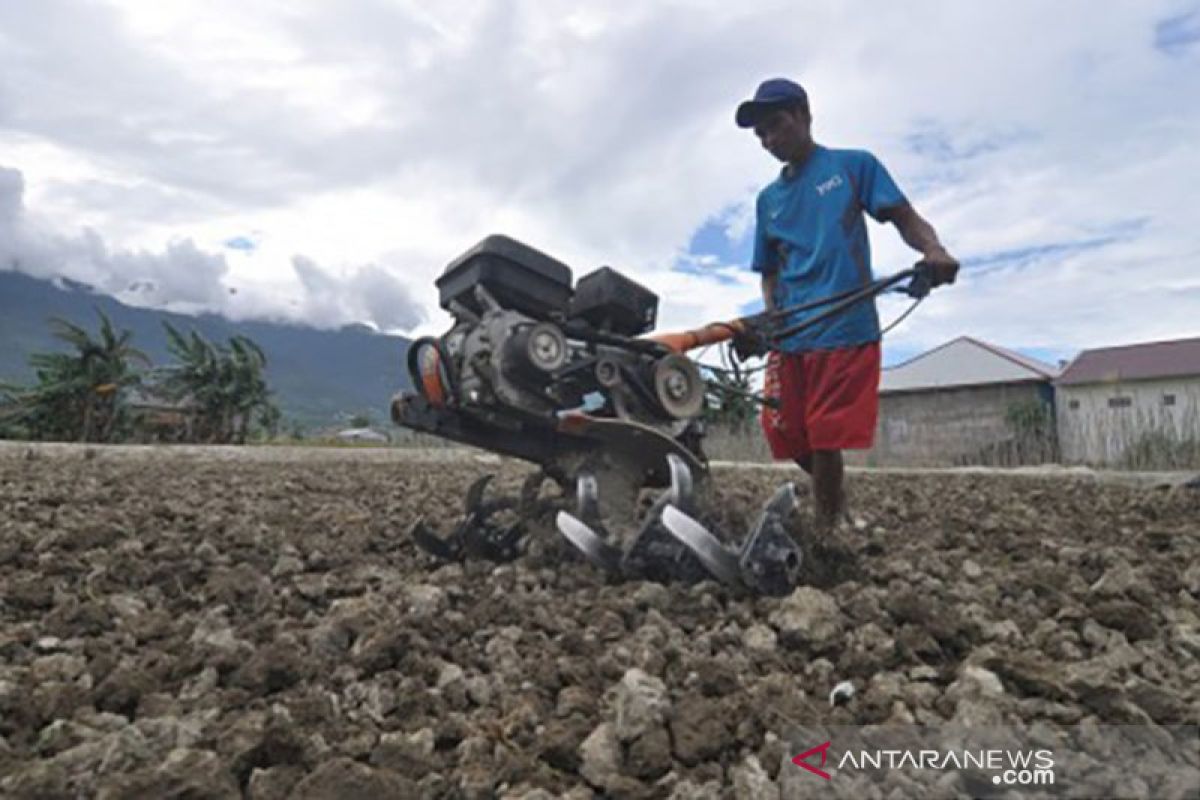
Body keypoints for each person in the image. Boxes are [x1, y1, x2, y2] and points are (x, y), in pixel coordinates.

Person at [735, 77, 959, 536]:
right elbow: (769, 271)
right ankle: (836, 500)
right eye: (761, 136)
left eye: (776, 126)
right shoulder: (768, 201)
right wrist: (771, 316)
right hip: (793, 332)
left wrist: (933, 250)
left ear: (804, 115)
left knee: (824, 436)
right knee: (784, 430)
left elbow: (904, 216)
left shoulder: (852, 167)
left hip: (846, 329)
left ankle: (827, 533)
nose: (770, 141)